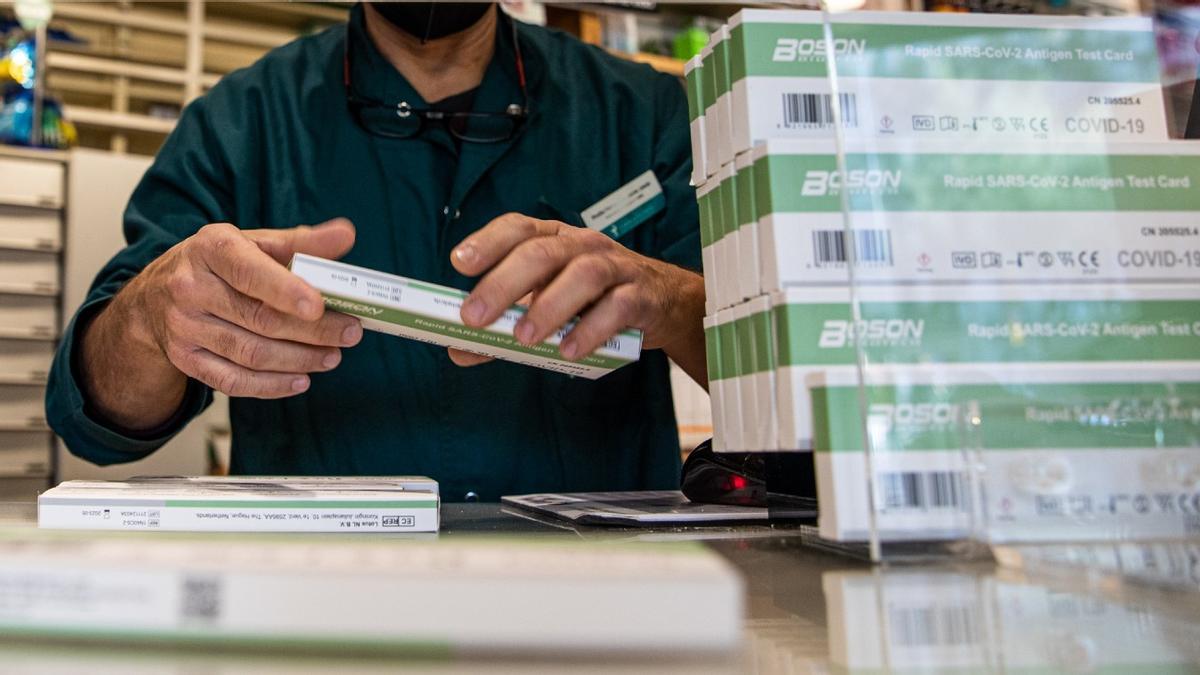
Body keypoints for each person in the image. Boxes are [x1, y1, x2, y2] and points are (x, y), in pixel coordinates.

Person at [46, 2, 705, 502]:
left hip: (602, 602)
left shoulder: (643, 116)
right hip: (316, 603)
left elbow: (787, 382)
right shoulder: (241, 124)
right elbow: (98, 417)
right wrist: (149, 319)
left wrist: (675, 302)